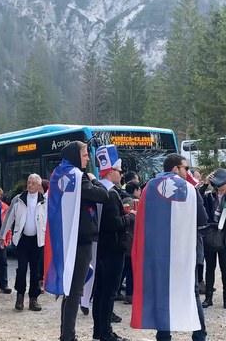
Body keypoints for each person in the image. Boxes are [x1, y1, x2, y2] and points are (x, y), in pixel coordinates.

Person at [131, 153, 208, 341]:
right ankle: (199, 334)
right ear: (175, 169)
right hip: (184, 251)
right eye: (185, 168)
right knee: (191, 290)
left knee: (162, 291)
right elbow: (203, 220)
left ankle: (163, 335)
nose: (187, 172)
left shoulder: (149, 188)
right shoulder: (190, 189)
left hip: (157, 253)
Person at [45, 141, 109, 341]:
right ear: (75, 156)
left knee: (70, 290)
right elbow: (103, 195)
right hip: (80, 242)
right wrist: (94, 178)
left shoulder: (60, 174)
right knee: (75, 291)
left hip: (69, 239)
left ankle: (66, 333)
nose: (88, 159)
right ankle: (68, 336)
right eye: (84, 155)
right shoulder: (78, 178)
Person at [91, 145, 133, 341]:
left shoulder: (98, 189)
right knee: (109, 292)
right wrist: (130, 216)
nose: (122, 175)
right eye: (119, 171)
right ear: (111, 171)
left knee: (100, 290)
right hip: (113, 248)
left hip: (101, 247)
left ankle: (99, 330)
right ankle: (106, 332)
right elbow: (114, 223)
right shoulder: (112, 193)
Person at [0, 175, 46, 311]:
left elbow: (49, 220)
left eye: (33, 183)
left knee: (36, 271)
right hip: (22, 239)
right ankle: (20, 296)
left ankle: (33, 298)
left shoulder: (44, 201)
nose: (30, 185)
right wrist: (2, 235)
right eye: (28, 182)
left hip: (37, 240)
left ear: (38, 186)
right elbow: (9, 218)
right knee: (22, 269)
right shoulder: (18, 199)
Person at [201, 168, 226, 309]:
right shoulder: (208, 196)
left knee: (225, 268)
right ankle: (208, 298)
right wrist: (205, 184)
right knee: (210, 268)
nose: (219, 186)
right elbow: (197, 199)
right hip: (210, 235)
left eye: (222, 183)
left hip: (225, 237)